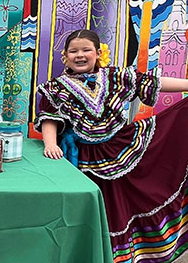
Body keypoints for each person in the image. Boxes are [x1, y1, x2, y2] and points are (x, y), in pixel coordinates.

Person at [35, 29, 188, 262]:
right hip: (82, 157)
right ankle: (89, 253)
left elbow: (151, 82)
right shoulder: (55, 88)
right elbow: (49, 118)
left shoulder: (116, 77)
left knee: (120, 204)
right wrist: (50, 144)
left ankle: (121, 256)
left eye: (86, 50)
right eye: (74, 51)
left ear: (98, 53)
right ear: (65, 56)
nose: (80, 55)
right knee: (92, 206)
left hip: (121, 148)